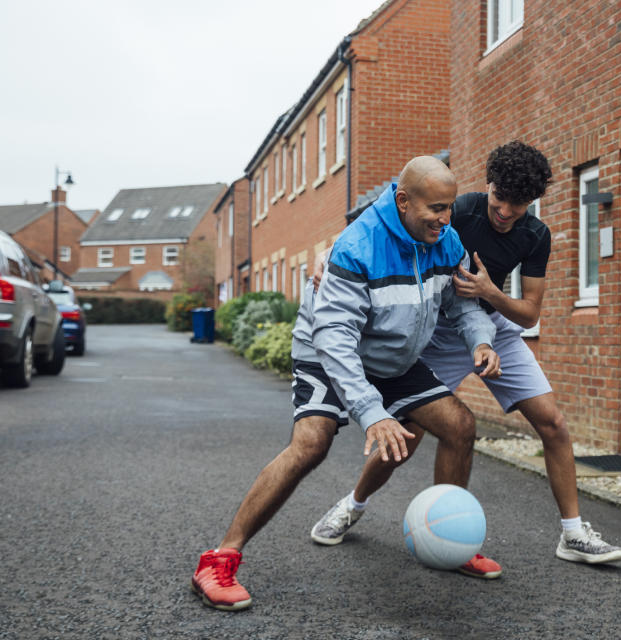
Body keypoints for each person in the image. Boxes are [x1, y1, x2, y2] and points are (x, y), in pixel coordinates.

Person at [191, 156, 502, 611]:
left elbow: (463, 305)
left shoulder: (445, 240)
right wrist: (371, 411)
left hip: (392, 357)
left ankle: (450, 542)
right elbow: (334, 338)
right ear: (403, 201)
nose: (445, 218)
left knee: (459, 426)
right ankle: (218, 560)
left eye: (449, 207)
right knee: (311, 443)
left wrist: (481, 341)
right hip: (327, 353)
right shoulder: (358, 246)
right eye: (435, 207)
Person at [311, 142, 621, 579]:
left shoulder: (535, 236)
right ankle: (352, 506)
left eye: (518, 206)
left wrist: (491, 294)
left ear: (531, 203)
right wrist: (326, 259)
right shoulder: (456, 210)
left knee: (553, 422)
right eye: (500, 200)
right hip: (437, 330)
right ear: (488, 186)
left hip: (494, 328)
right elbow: (380, 229)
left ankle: (572, 534)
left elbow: (530, 312)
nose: (505, 212)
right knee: (410, 432)